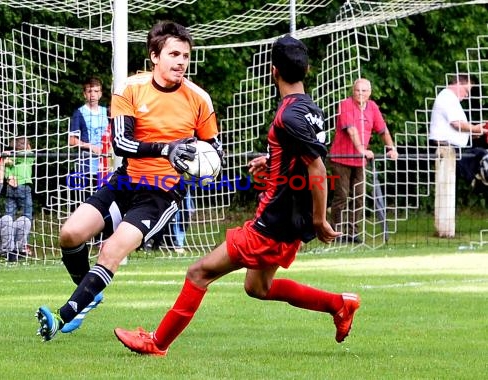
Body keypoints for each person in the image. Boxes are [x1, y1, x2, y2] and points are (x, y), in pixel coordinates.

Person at [113, 34, 359, 356]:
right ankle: (339, 305)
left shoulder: (289, 115)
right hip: (288, 221)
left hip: (272, 223)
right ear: (307, 68)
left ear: (272, 71)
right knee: (258, 287)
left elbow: (315, 166)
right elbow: (302, 154)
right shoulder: (310, 109)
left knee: (199, 273)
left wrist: (319, 219)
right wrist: (271, 161)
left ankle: (157, 343)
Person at [35, 21, 223, 339]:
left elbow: (213, 148)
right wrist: (168, 148)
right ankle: (88, 294)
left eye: (186, 56)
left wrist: (206, 168)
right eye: (174, 54)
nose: (181, 61)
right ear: (154, 56)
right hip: (125, 183)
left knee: (111, 251)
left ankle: (62, 315)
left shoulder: (199, 99)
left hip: (161, 194)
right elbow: (120, 143)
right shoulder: (131, 88)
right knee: (70, 234)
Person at [329, 78, 398, 244]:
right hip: (341, 159)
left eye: (364, 91)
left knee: (359, 197)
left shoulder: (372, 107)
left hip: (359, 162)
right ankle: (335, 232)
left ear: (370, 93)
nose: (360, 93)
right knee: (342, 196)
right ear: (353, 91)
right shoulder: (345, 105)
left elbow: (383, 130)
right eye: (357, 90)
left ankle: (352, 233)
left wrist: (391, 148)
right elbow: (351, 130)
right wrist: (362, 150)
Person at [428, 74, 487, 237]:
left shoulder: (450, 99)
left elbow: (456, 127)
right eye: (467, 91)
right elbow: (457, 124)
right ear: (459, 83)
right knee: (483, 157)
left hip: (453, 148)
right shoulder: (447, 97)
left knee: (482, 155)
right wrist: (478, 129)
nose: (467, 95)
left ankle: (478, 180)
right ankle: (479, 180)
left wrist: (473, 133)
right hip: (447, 149)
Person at [69, 76, 110, 196]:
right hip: (88, 166)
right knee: (89, 199)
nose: (93, 95)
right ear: (84, 94)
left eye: (96, 91)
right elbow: (71, 140)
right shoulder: (79, 113)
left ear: (100, 94)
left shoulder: (106, 112)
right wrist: (91, 147)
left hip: (106, 164)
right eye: (89, 91)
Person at [4, 136, 35, 254]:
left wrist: (9, 177)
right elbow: (30, 154)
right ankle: (23, 245)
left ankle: (9, 245)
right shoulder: (28, 157)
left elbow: (8, 169)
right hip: (23, 186)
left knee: (9, 215)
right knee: (27, 215)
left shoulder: (11, 158)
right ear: (27, 146)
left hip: (11, 187)